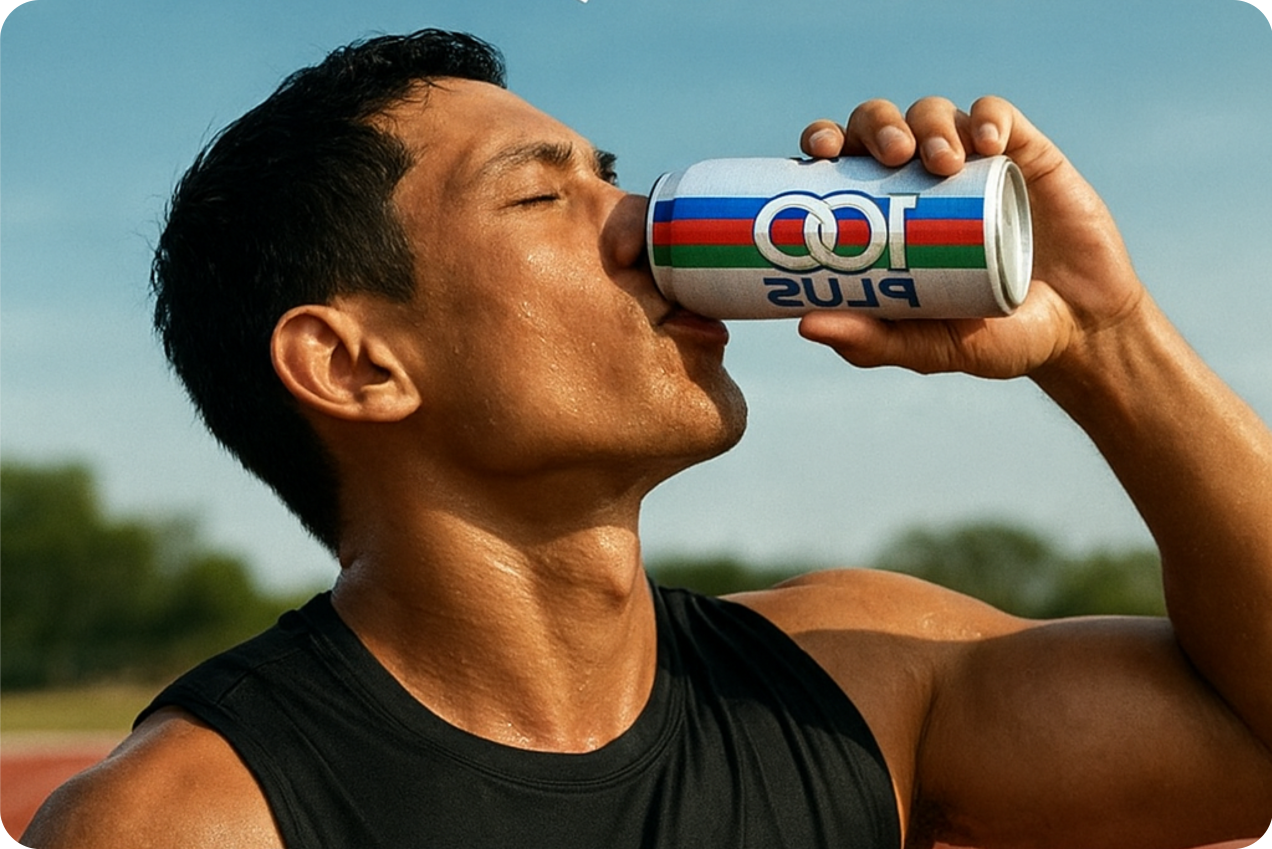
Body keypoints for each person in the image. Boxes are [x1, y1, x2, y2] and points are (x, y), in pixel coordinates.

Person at [21, 28, 1272, 849]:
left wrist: (1105, 337)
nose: (646, 223)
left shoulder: (859, 682)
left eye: (616, 175)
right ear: (354, 364)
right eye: (540, 194)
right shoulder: (195, 823)